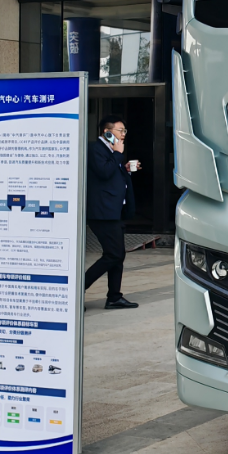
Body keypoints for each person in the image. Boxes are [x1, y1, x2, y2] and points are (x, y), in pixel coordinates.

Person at [85, 115, 141, 309]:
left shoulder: (110, 150)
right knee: (114, 255)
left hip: (112, 212)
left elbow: (110, 173)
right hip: (102, 213)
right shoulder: (95, 149)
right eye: (120, 131)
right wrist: (118, 154)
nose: (123, 134)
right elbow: (103, 172)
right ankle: (78, 289)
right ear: (107, 132)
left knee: (118, 254)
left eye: (124, 131)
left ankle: (114, 297)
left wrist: (125, 168)